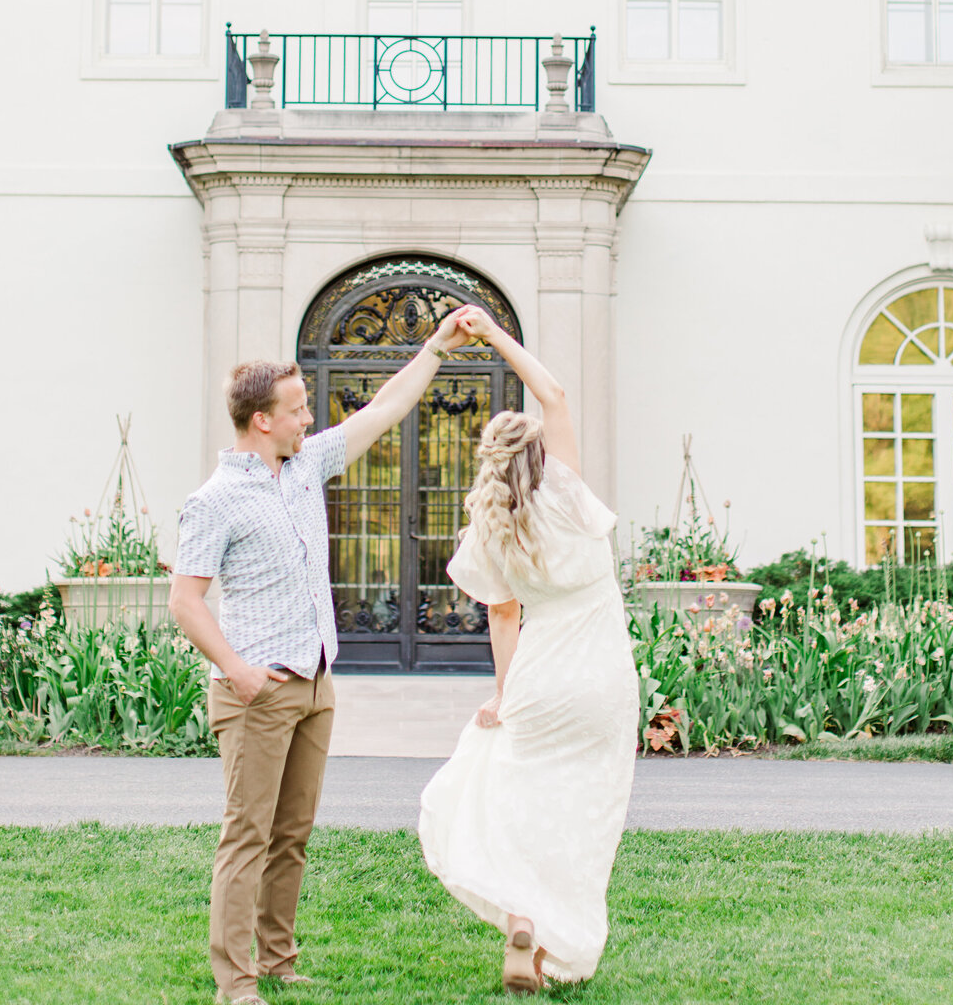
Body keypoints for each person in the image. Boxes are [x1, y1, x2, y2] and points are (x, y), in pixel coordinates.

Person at [170, 306, 472, 1005]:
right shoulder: (213, 502)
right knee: (247, 837)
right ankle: (235, 982)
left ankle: (277, 961)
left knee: (292, 836)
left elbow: (385, 410)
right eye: (298, 409)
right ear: (260, 420)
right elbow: (186, 603)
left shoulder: (305, 469)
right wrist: (240, 672)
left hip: (313, 683)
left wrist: (434, 347)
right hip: (256, 692)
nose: (310, 418)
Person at [418, 306, 639, 994]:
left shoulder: (490, 528)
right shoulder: (567, 492)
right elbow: (555, 394)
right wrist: (496, 336)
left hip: (540, 681)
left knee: (517, 801)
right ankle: (550, 939)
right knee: (584, 807)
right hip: (601, 679)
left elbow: (504, 619)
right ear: (541, 451)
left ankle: (521, 921)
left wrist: (503, 696)